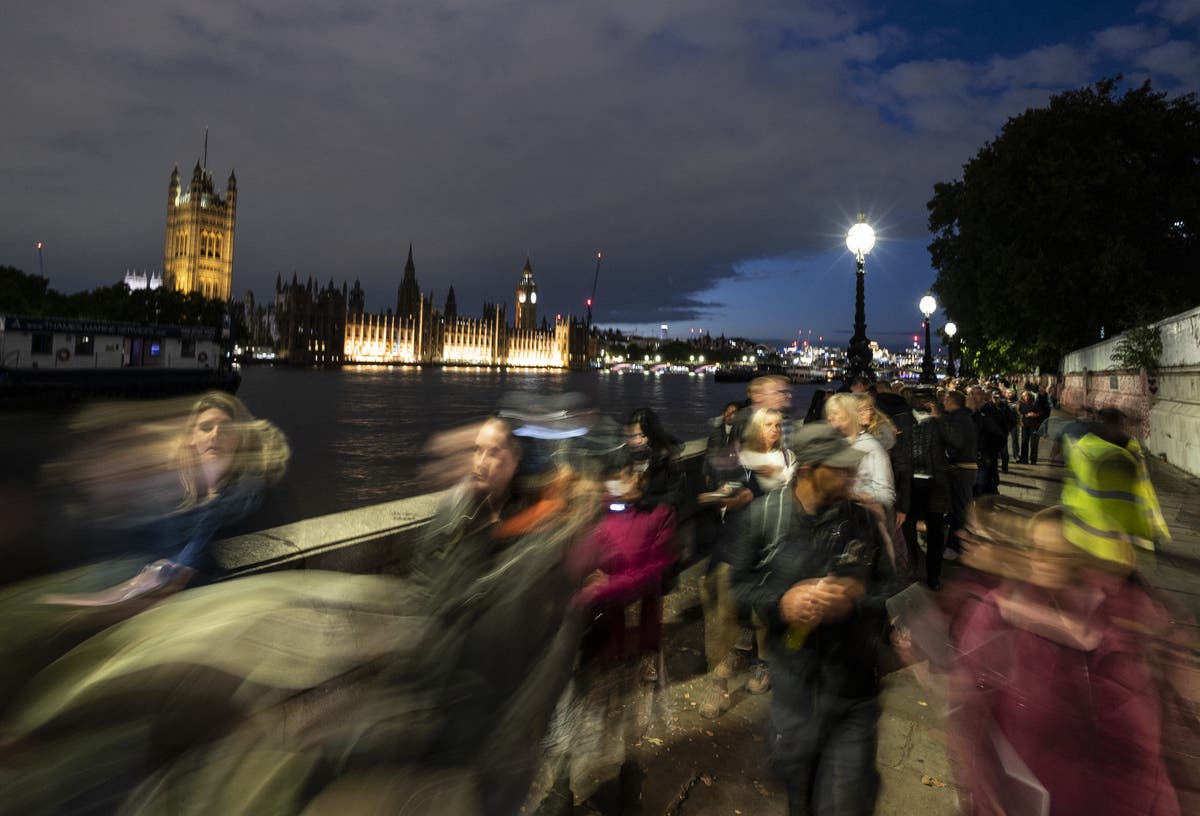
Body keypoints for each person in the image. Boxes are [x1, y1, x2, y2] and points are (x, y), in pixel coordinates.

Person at [728, 423, 894, 816]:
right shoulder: (763, 517)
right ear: (808, 470)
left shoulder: (862, 521)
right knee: (800, 793)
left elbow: (893, 588)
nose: (851, 474)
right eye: (839, 468)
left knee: (850, 800)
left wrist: (856, 599)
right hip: (794, 687)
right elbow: (737, 587)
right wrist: (781, 601)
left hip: (855, 687)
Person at [43, 391, 290, 605]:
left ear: (239, 439)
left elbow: (175, 579)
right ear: (192, 438)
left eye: (226, 429)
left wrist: (95, 605)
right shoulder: (182, 495)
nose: (215, 434)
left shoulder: (242, 497)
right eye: (206, 427)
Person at [901, 388, 952, 589]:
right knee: (907, 531)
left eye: (927, 398)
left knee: (936, 532)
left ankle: (933, 576)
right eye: (919, 397)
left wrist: (939, 418)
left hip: (935, 484)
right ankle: (910, 570)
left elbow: (957, 442)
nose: (923, 401)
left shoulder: (940, 421)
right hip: (909, 484)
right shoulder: (903, 420)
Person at [939, 390, 977, 559]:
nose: (944, 402)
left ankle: (956, 547)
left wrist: (947, 455)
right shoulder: (966, 418)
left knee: (959, 510)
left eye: (946, 399)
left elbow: (956, 443)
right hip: (967, 467)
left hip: (961, 468)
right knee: (960, 508)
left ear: (952, 401)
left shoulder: (956, 419)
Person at [1017, 388, 1045, 464]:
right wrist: (1021, 421)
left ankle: (1033, 460)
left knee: (1033, 443)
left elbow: (1043, 414)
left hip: (1035, 426)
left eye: (1027, 395)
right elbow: (1020, 414)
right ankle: (1024, 459)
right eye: (1024, 396)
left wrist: (1035, 414)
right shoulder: (1021, 404)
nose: (1026, 397)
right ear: (1022, 397)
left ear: (1030, 396)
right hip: (1025, 426)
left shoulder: (1035, 403)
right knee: (1024, 442)